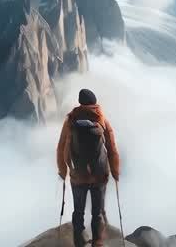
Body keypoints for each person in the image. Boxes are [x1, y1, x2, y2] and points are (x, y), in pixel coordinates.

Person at [57, 88, 121, 247]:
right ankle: (97, 242)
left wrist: (63, 171)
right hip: (99, 175)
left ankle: (79, 242)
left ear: (80, 102)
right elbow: (112, 148)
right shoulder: (101, 119)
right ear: (94, 102)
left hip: (77, 176)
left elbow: (61, 147)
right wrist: (115, 172)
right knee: (97, 213)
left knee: (78, 212)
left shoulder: (71, 120)